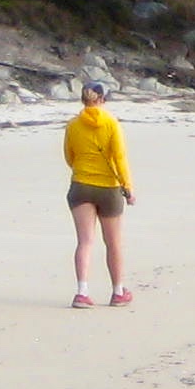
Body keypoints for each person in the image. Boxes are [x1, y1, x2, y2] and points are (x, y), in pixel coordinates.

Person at [63, 80, 135, 308]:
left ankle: (82, 292)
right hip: (108, 188)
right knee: (113, 243)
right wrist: (128, 187)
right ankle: (117, 291)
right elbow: (120, 158)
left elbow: (69, 156)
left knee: (85, 241)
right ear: (102, 100)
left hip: (81, 184)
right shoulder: (112, 123)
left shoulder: (73, 125)